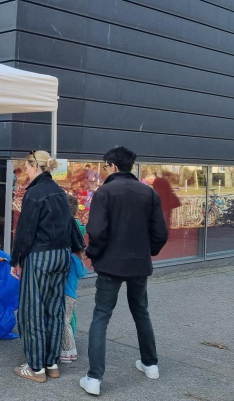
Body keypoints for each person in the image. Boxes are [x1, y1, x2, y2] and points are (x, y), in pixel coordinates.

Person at [80, 147, 168, 396]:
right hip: (139, 264)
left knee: (101, 316)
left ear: (113, 166)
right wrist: (147, 251)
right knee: (141, 312)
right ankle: (150, 365)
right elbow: (160, 233)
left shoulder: (105, 192)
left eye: (105, 166)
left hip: (110, 264)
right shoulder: (149, 193)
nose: (103, 170)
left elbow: (97, 230)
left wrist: (92, 252)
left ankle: (94, 377)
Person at [10, 150, 85, 383]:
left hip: (40, 256)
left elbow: (25, 231)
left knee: (32, 311)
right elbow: (71, 224)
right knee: (54, 309)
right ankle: (52, 364)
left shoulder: (34, 193)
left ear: (35, 167)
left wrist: (16, 260)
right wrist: (78, 248)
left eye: (26, 167)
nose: (25, 171)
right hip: (62, 255)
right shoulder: (60, 191)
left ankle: (36, 368)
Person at [61, 195, 87, 364]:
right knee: (70, 318)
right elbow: (82, 272)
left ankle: (69, 351)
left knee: (64, 322)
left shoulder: (67, 255)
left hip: (65, 292)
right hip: (72, 292)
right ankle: (69, 345)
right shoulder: (77, 255)